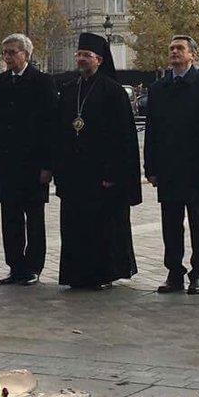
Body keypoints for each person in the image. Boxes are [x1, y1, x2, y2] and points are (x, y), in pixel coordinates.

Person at [44, 32, 138, 290]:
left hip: (102, 174)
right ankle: (76, 275)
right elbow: (59, 131)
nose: (82, 59)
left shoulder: (113, 91)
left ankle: (102, 275)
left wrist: (113, 174)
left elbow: (123, 138)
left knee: (102, 227)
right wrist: (57, 167)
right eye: (79, 55)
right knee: (74, 225)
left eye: (87, 55)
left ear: (99, 59)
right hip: (74, 174)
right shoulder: (70, 89)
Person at [144, 35, 199, 295]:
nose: (174, 52)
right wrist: (150, 167)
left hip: (197, 167)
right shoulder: (159, 88)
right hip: (168, 166)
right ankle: (174, 272)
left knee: (198, 223)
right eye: (171, 48)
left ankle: (198, 272)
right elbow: (152, 130)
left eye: (180, 48)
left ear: (193, 54)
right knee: (170, 223)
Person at [0, 33, 55, 285]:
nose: (7, 57)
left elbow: (49, 126)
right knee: (10, 217)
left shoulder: (42, 82)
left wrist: (48, 165)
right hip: (7, 162)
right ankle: (15, 265)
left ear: (26, 54)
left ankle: (33, 266)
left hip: (33, 163)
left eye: (12, 52)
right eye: (5, 53)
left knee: (34, 218)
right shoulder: (0, 82)